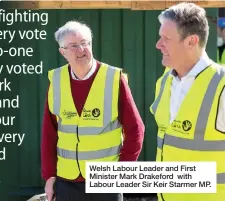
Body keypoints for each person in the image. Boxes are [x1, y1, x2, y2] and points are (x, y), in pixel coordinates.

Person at [41, 20, 145, 201]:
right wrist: (50, 176)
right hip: (67, 181)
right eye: (74, 46)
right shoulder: (56, 81)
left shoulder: (113, 79)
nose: (81, 49)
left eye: (85, 43)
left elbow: (136, 129)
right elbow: (49, 134)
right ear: (62, 52)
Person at [150, 3, 225, 201]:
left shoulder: (222, 86)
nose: (158, 44)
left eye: (166, 39)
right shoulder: (165, 81)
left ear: (192, 41)